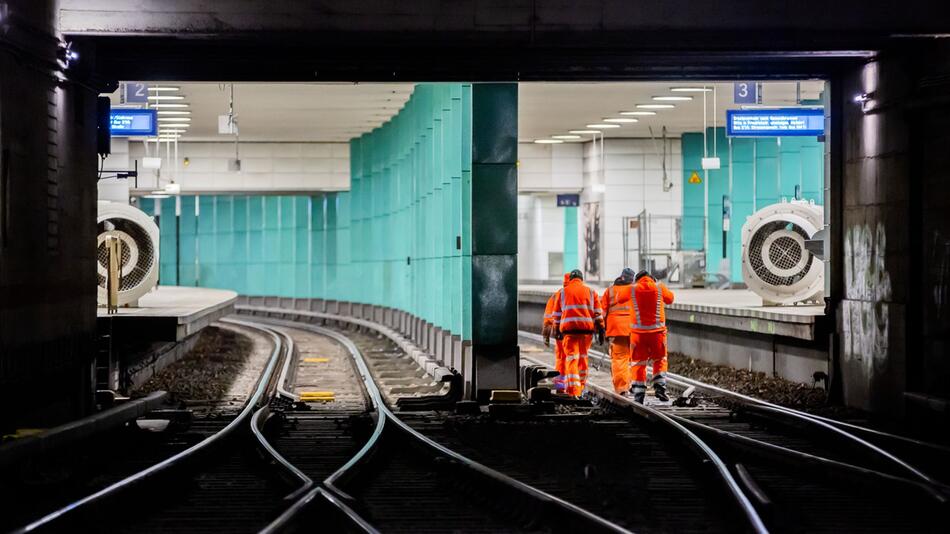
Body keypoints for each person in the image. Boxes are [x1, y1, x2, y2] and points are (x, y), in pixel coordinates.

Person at [552, 270, 605, 397]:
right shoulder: (591, 292)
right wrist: (601, 329)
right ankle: (580, 387)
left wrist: (556, 330)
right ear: (581, 279)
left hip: (569, 332)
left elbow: (557, 314)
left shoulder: (562, 292)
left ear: (570, 279)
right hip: (586, 332)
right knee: (583, 358)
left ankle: (573, 391)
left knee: (571, 359)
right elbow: (598, 313)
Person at [629, 270, 675, 404]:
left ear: (637, 280)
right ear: (652, 278)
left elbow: (618, 299)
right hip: (657, 334)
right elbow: (670, 299)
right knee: (659, 359)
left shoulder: (632, 289)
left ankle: (638, 394)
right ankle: (660, 387)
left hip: (638, 335)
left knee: (638, 363)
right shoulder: (659, 287)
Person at [601, 268, 636, 395]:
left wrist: (601, 330)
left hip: (616, 330)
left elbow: (602, 313)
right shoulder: (634, 291)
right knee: (634, 359)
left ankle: (622, 388)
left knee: (620, 358)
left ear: (621, 277)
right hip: (634, 329)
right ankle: (633, 384)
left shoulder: (609, 291)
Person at [542, 273, 571, 393]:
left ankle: (560, 385)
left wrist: (546, 334)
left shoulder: (557, 295)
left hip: (559, 332)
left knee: (561, 357)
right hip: (577, 332)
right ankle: (574, 384)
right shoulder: (582, 293)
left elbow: (548, 317)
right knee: (575, 357)